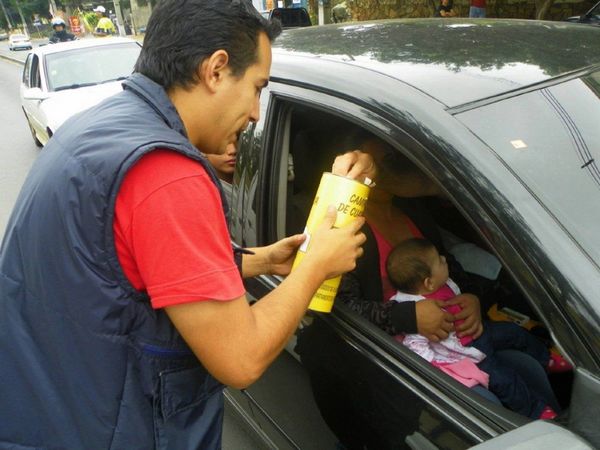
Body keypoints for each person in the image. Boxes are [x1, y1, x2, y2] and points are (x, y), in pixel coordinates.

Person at [0, 1, 373, 448]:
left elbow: (123, 272)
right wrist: (317, 267)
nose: (257, 112)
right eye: (256, 88)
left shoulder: (99, 127)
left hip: (53, 409)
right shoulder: (166, 174)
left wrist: (260, 262)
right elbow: (241, 359)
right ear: (216, 70)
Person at [387, 237, 568, 419]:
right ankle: (536, 411)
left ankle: (546, 359)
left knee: (512, 331)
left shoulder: (442, 283)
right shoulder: (413, 309)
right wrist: (437, 366)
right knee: (504, 380)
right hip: (464, 354)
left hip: (477, 332)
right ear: (429, 283)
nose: (444, 259)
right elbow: (415, 346)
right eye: (440, 261)